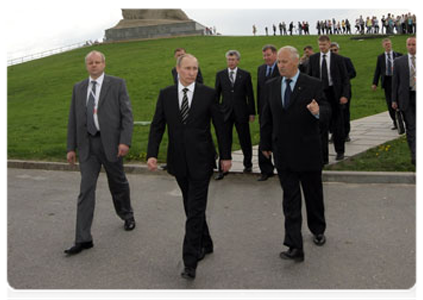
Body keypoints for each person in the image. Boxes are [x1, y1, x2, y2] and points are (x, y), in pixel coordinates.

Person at [147, 54, 232, 280]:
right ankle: (206, 241)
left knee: (194, 210)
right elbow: (157, 126)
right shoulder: (166, 95)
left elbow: (221, 127)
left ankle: (190, 260)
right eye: (187, 68)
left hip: (202, 160)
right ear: (177, 70)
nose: (192, 72)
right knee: (190, 205)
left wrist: (225, 156)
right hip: (178, 161)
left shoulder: (208, 94)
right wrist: (152, 154)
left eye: (195, 68)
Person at [260, 46, 329, 262]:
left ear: (296, 62)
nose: (280, 65)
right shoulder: (271, 86)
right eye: (278, 62)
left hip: (308, 151)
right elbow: (267, 118)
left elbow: (328, 110)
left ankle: (317, 229)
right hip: (284, 153)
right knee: (290, 201)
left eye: (284, 62)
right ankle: (294, 245)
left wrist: (319, 112)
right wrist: (265, 144)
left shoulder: (312, 84)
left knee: (313, 195)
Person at [65, 50, 135, 255]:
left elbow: (127, 115)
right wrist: (71, 147)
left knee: (118, 183)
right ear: (86, 66)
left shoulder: (117, 84)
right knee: (86, 190)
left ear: (104, 64)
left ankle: (127, 214)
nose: (94, 65)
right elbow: (73, 118)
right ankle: (83, 238)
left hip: (111, 145)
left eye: (97, 62)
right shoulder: (78, 88)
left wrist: (124, 141)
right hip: (88, 146)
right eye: (90, 63)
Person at [307, 35, 350, 163]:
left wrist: (344, 95)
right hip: (320, 95)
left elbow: (345, 79)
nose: (322, 47)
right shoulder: (313, 59)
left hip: (334, 93)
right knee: (321, 125)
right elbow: (309, 78)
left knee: (338, 124)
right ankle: (323, 157)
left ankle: (340, 151)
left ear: (329, 44)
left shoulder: (338, 59)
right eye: (320, 45)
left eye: (324, 45)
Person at [215, 50, 255, 180]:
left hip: (241, 112)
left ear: (238, 61)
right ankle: (223, 168)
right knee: (224, 140)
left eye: (233, 60)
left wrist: (251, 112)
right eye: (229, 59)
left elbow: (250, 95)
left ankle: (248, 164)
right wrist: (217, 111)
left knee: (245, 139)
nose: (231, 62)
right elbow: (216, 95)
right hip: (225, 113)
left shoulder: (245, 75)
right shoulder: (220, 75)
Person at [392, 37, 420, 167]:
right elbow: (395, 82)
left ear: (418, 45)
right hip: (406, 98)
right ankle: (416, 155)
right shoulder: (399, 62)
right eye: (409, 44)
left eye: (413, 44)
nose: (411, 47)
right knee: (412, 126)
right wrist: (394, 100)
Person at [256, 44, 279, 181]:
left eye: (268, 55)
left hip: (277, 110)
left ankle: (281, 167)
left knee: (278, 138)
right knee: (264, 138)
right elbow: (259, 91)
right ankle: (266, 169)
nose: (266, 58)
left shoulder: (281, 68)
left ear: (275, 55)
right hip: (264, 111)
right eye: (264, 55)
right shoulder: (261, 69)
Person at [372, 38, 402, 130]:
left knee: (399, 101)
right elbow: (377, 71)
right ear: (383, 46)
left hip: (397, 80)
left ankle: (402, 120)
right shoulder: (380, 58)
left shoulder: (398, 55)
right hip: (387, 81)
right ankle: (395, 121)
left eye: (389, 44)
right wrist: (375, 83)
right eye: (386, 44)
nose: (388, 46)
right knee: (390, 103)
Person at [330, 42, 356, 142]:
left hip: (344, 90)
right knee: (332, 113)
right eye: (331, 50)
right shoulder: (328, 62)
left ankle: (346, 133)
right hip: (332, 91)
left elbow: (353, 73)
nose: (333, 52)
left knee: (345, 112)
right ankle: (334, 133)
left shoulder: (346, 60)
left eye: (335, 50)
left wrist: (343, 78)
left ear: (339, 50)